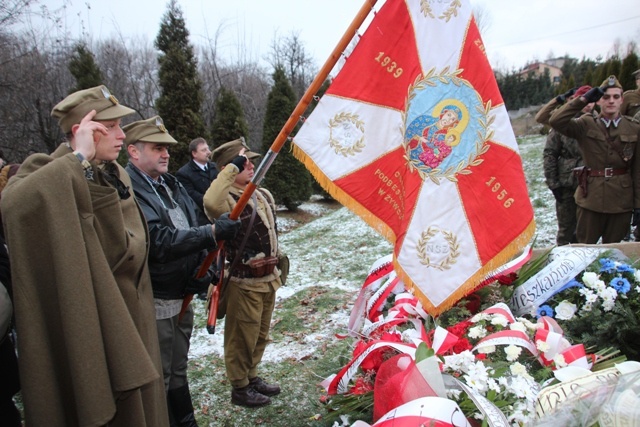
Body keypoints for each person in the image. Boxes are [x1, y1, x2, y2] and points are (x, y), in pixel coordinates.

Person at [0, 85, 169, 426]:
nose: (122, 135)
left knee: (145, 408)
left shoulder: (115, 172)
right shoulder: (49, 167)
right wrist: (77, 158)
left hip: (134, 312)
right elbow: (14, 205)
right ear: (82, 131)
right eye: (112, 127)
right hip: (94, 320)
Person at [124, 116, 240, 426]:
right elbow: (157, 240)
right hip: (158, 298)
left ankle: (185, 419)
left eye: (167, 148)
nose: (165, 154)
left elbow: (193, 224)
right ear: (134, 152)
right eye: (157, 147)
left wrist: (206, 265)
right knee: (159, 372)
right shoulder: (130, 189)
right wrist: (211, 234)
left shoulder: (170, 183)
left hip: (184, 291)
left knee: (177, 366)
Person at [203, 138, 284, 408]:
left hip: (268, 278)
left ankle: (251, 376)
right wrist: (232, 168)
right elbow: (211, 201)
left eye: (250, 160)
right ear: (228, 168)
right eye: (243, 161)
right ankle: (239, 387)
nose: (250, 165)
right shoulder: (226, 200)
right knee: (242, 336)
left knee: (260, 334)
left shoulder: (260, 193)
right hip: (244, 281)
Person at [549, 75, 640, 244]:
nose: (611, 101)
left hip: (621, 200)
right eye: (605, 97)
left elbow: (638, 171)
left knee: (613, 253)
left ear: (622, 100)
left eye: (616, 97)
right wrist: (583, 99)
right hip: (591, 198)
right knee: (583, 249)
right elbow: (556, 120)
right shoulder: (586, 124)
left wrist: (638, 204)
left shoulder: (634, 128)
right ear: (598, 100)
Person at [535, 85, 594, 245]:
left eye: (591, 101)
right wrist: (553, 184)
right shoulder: (564, 123)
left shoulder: (598, 121)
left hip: (593, 183)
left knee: (587, 230)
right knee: (567, 229)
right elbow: (550, 154)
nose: (588, 105)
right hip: (568, 182)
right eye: (584, 99)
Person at [176, 137, 219, 214]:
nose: (209, 152)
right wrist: (212, 202)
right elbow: (191, 195)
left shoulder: (215, 167)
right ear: (194, 153)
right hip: (202, 215)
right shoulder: (184, 173)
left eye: (208, 149)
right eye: (204, 150)